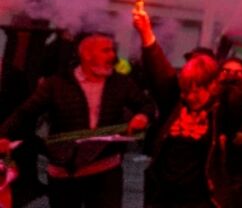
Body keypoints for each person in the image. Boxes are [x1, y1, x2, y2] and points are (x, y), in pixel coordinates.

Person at [0, 32, 155, 208]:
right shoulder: (57, 84)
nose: (113, 56)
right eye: (106, 51)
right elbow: (25, 113)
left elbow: (146, 105)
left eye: (113, 50)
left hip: (105, 168)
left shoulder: (121, 83)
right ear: (87, 55)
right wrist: (3, 134)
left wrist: (142, 116)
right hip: (64, 171)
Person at [133, 6, 242, 208]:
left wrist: (219, 73)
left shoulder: (223, 110)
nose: (190, 97)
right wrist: (146, 34)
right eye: (186, 90)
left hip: (202, 200)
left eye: (197, 90)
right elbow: (158, 70)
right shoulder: (175, 102)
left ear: (212, 86)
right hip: (163, 197)